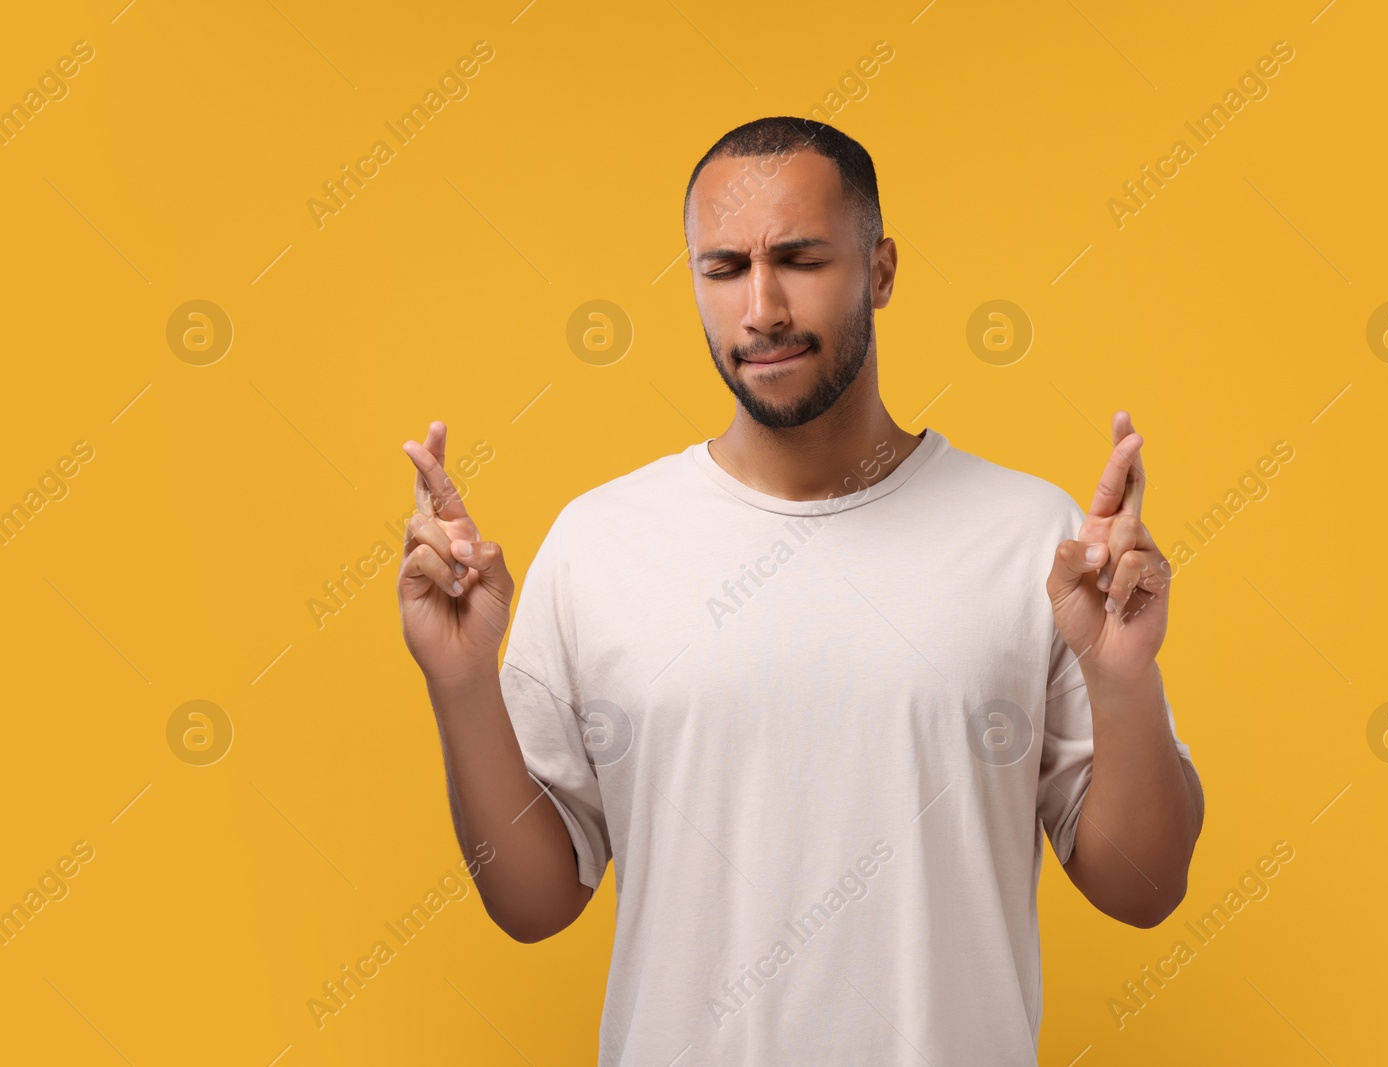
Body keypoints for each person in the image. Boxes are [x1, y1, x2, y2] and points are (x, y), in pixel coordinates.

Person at [398, 116, 1203, 1065]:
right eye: (725, 268)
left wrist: (1124, 678)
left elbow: (1144, 888)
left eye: (800, 258)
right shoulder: (599, 543)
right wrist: (459, 681)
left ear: (883, 269)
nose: (762, 308)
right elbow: (533, 903)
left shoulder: (1033, 536)